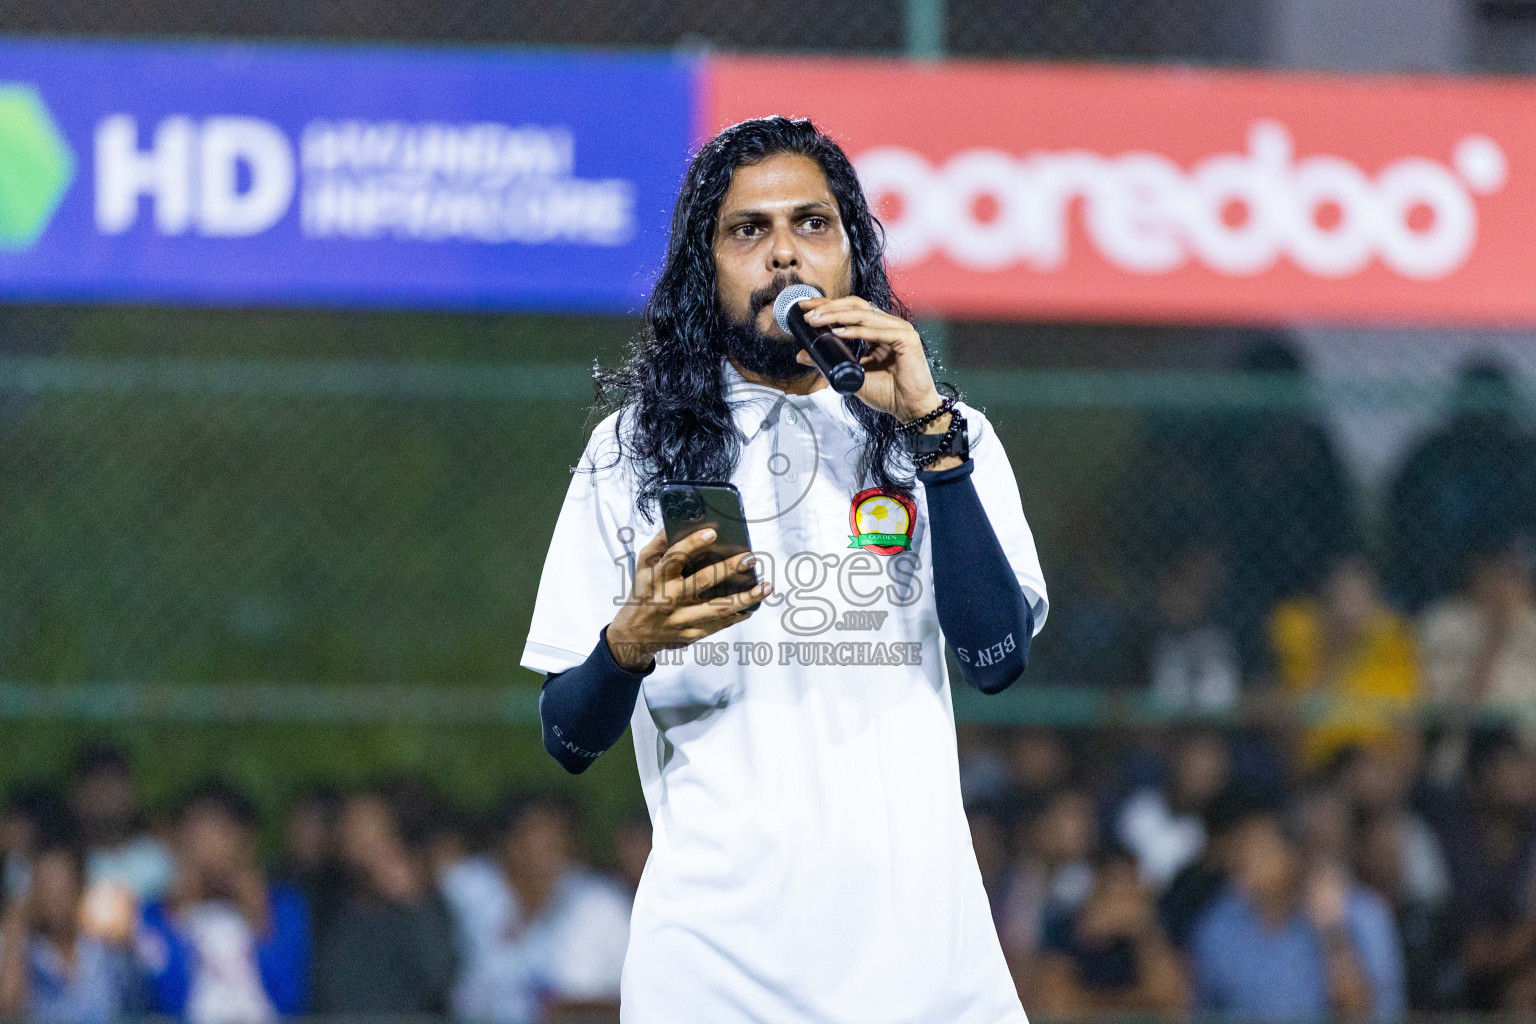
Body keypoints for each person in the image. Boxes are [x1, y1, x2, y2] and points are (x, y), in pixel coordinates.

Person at [522, 116, 1048, 1022]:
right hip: (715, 970)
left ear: (852, 252)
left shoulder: (946, 435)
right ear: (707, 266)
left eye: (813, 225)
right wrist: (627, 646)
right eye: (748, 231)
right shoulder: (634, 450)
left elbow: (996, 658)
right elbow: (566, 738)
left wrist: (931, 437)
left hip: (923, 964)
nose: (784, 257)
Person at [1190, 810, 1405, 1022]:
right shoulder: (1219, 921)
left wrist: (1331, 930)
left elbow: (1362, 1013)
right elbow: (1197, 1009)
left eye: (1260, 852)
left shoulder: (1361, 913)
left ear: (1292, 855)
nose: (1245, 863)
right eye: (1241, 852)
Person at [447, 794, 631, 1024]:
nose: (551, 847)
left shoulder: (603, 904)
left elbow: (642, 994)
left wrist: (577, 1009)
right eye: (538, 836)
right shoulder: (469, 890)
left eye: (558, 836)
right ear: (510, 843)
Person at [137, 781, 309, 1023]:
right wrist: (177, 914)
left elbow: (290, 1000)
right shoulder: (153, 914)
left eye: (220, 832)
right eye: (196, 834)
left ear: (246, 839)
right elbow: (165, 1001)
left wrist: (259, 917)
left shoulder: (283, 907)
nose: (207, 847)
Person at [1387, 358, 1536, 612]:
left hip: (1516, 586)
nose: (1483, 419)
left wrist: (1507, 572)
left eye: (1491, 408)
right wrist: (1462, 575)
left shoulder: (1526, 456)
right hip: (1438, 593)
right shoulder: (1430, 457)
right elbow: (1405, 535)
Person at [1269, 553, 1421, 768]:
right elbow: (1292, 742)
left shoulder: (1393, 639)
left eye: (1361, 597)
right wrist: (1333, 650)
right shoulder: (1298, 632)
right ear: (1326, 600)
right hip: (1319, 771)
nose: (1350, 609)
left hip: (1378, 768)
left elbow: (1409, 725)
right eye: (1344, 596)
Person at [312, 788, 455, 1015]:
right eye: (350, 826)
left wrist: (411, 901)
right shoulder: (323, 902)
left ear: (393, 836)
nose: (358, 836)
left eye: (367, 826)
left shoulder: (424, 902)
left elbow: (440, 980)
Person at [1032, 846, 1188, 1017]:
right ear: (1095, 889)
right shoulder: (1064, 932)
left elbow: (1171, 1004)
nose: (1122, 902)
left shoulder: (1154, 933)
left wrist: (1142, 935)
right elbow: (1056, 1007)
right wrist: (1088, 936)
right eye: (1114, 887)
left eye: (1129, 889)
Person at [0, 835, 138, 1024]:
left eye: (61, 885)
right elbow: (7, 1008)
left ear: (79, 887)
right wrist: (15, 928)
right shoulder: (26, 952)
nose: (53, 897)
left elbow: (140, 1000)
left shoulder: (103, 950)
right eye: (45, 886)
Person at [1421, 531, 1536, 722]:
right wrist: (1496, 634)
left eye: (1514, 573)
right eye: (1500, 572)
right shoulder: (1444, 621)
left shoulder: (1530, 622)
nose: (1506, 583)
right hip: (1476, 737)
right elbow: (1463, 707)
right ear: (1477, 571)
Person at [68, 744, 173, 942]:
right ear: (76, 795)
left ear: (132, 793)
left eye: (113, 784)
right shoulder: (62, 860)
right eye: (96, 784)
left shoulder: (159, 860)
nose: (105, 795)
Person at [1116, 728, 1232, 887]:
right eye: (1195, 765)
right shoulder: (1141, 808)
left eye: (1209, 770)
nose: (1200, 776)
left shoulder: (1219, 830)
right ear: (1178, 761)